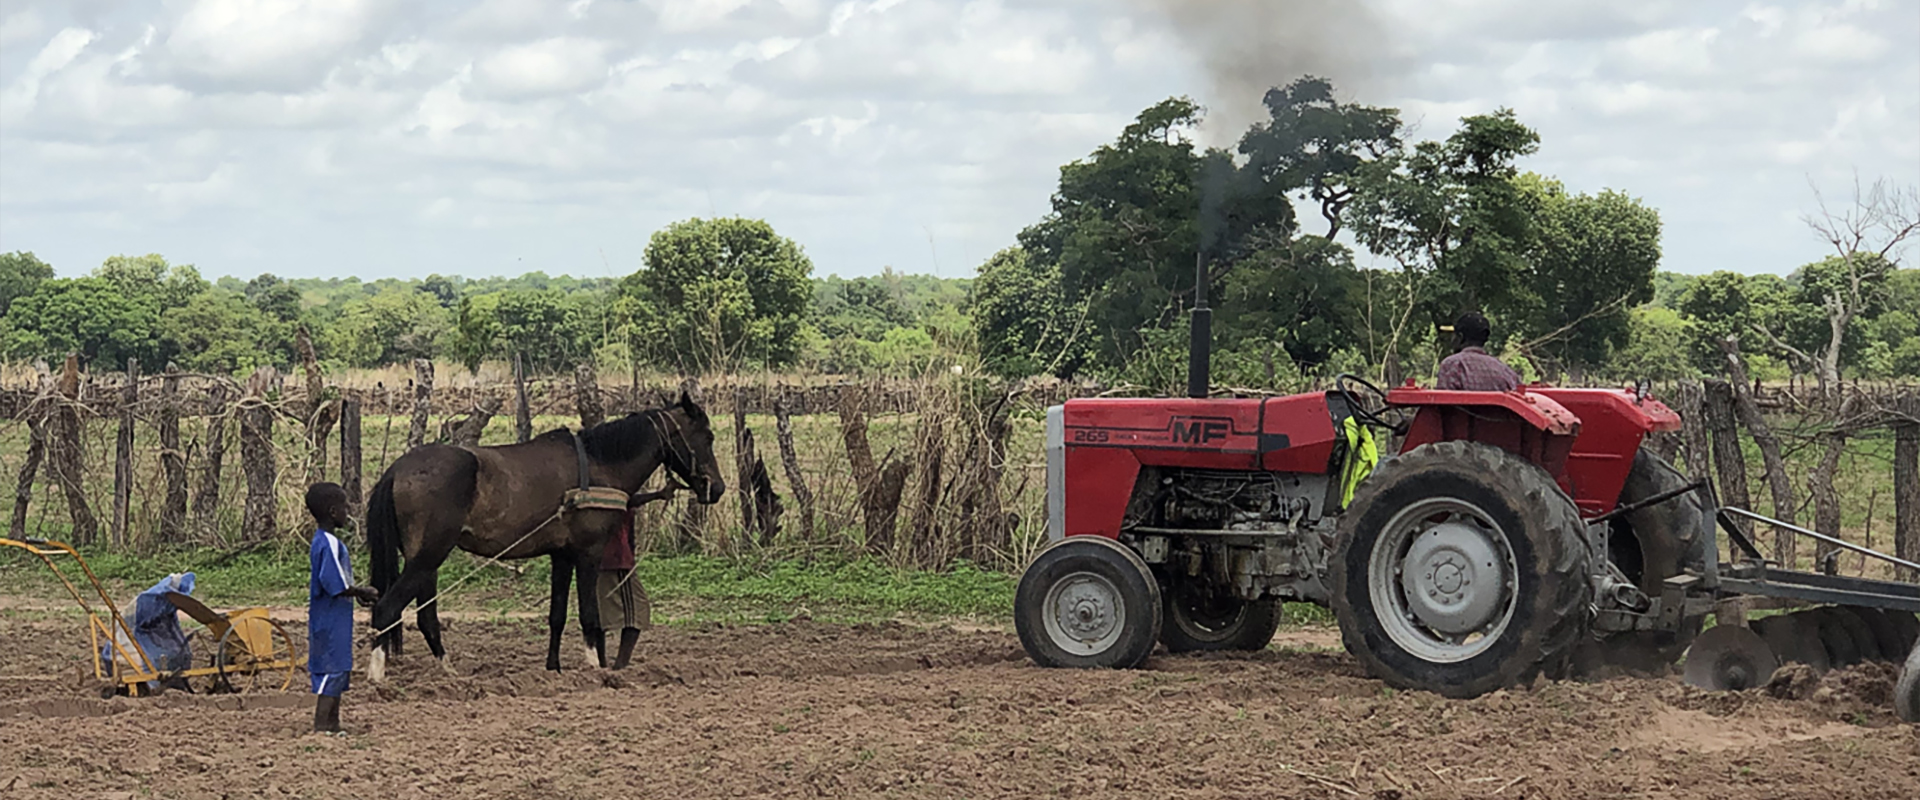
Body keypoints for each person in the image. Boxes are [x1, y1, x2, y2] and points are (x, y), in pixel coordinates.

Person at [306, 482, 379, 734]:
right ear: (333, 511)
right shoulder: (329, 543)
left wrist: (355, 593)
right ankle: (322, 726)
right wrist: (362, 591)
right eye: (345, 507)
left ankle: (334, 725)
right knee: (332, 670)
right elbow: (334, 583)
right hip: (330, 619)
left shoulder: (322, 541)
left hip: (330, 616)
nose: (348, 512)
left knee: (337, 671)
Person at [595, 484, 679, 670]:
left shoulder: (600, 484)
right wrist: (657, 495)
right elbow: (626, 499)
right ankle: (619, 665)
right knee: (636, 612)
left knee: (601, 613)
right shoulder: (614, 490)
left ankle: (603, 662)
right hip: (616, 559)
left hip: (608, 558)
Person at [1436, 311, 1520, 392]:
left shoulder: (1452, 365)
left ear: (1460, 337)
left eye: (1453, 335)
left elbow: (1442, 402)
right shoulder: (1504, 370)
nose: (1452, 340)